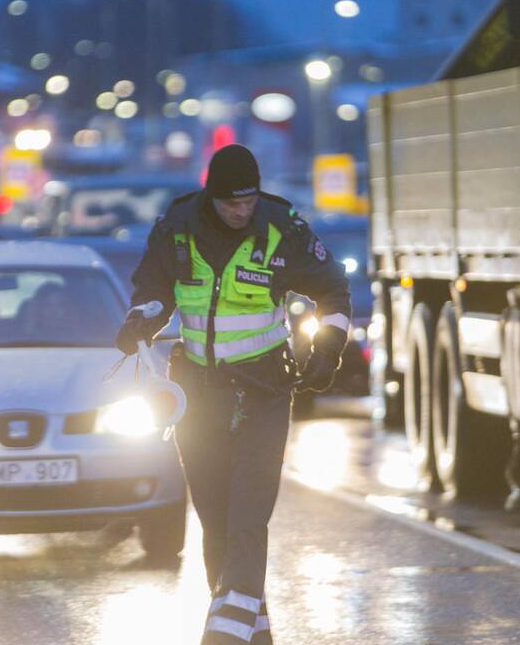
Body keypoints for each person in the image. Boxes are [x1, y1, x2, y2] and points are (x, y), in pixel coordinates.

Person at [116, 144, 351, 645]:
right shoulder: (177, 227)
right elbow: (153, 289)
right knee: (217, 524)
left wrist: (327, 347)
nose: (241, 212)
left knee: (247, 517)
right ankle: (253, 635)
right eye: (231, 204)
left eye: (247, 202)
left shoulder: (281, 227)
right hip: (197, 396)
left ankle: (222, 637)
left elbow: (333, 290)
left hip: (264, 390)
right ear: (212, 197)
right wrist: (141, 321)